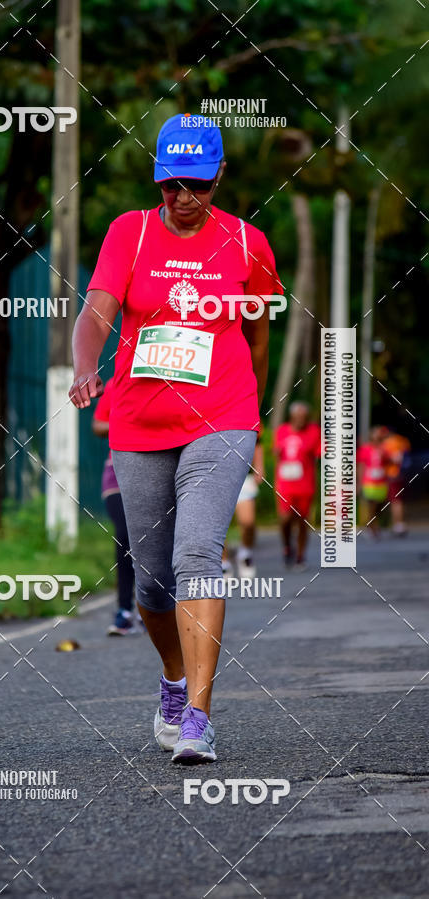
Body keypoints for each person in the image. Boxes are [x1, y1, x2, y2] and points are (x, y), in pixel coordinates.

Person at [69, 113, 283, 763]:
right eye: (170, 185)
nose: (183, 198)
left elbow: (259, 335)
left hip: (222, 414)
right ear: (156, 180)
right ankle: (173, 678)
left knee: (198, 553)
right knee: (154, 584)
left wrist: (256, 408)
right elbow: (97, 311)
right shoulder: (129, 235)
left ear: (220, 176)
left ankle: (198, 717)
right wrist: (85, 367)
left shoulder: (248, 244)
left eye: (197, 184)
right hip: (139, 424)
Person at [92, 379, 138, 635]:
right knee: (124, 535)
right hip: (117, 471)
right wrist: (130, 426)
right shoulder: (115, 384)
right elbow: (98, 424)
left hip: (158, 470)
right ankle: (124, 610)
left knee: (153, 540)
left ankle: (153, 607)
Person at [274, 402, 321, 569]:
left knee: (302, 520)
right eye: (297, 416)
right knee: (285, 518)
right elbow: (277, 453)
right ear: (292, 416)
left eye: (304, 417)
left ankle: (301, 556)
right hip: (286, 483)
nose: (301, 420)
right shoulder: (282, 430)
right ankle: (287, 546)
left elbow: (320, 452)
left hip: (305, 484)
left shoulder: (314, 431)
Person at [222, 430, 264, 578]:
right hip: (218, 477)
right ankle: (223, 562)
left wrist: (259, 466)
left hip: (244, 476)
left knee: (248, 522)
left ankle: (245, 553)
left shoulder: (244, 409)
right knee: (218, 525)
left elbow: (257, 442)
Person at [357, 427, 390, 538]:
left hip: (381, 482)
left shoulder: (384, 449)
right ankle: (373, 527)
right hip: (369, 482)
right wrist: (359, 482)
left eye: (379, 437)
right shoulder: (365, 449)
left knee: (379, 506)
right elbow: (361, 466)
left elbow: (388, 463)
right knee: (372, 505)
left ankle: (372, 523)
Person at [381, 428, 411, 536]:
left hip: (391, 474)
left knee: (394, 501)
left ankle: (397, 524)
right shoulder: (402, 441)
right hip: (401, 474)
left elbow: (392, 458)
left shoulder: (387, 444)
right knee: (398, 499)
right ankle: (398, 523)